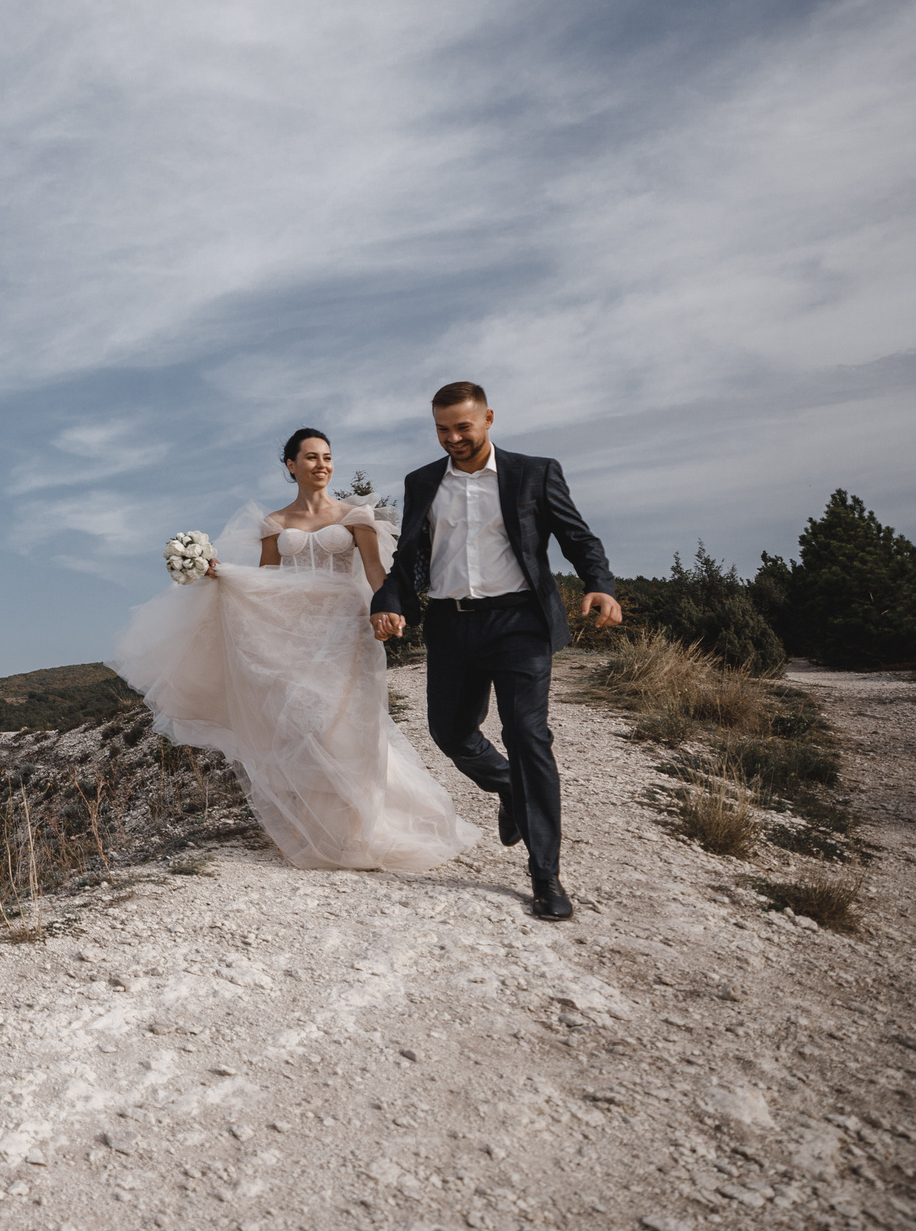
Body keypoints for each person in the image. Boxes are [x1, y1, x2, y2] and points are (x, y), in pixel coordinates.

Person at [110, 426, 482, 872]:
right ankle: (330, 828)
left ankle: (365, 826)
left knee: (349, 724)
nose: (321, 465)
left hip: (347, 631)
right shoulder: (276, 523)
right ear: (291, 465)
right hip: (294, 635)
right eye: (310, 458)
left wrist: (391, 611)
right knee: (310, 724)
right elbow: (266, 582)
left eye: (327, 457)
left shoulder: (356, 515)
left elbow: (376, 573)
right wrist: (220, 574)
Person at [369, 381, 621, 921]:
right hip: (450, 624)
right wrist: (387, 602)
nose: (453, 438)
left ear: (488, 418)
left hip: (518, 624)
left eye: (463, 426)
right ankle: (508, 786)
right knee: (449, 731)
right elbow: (407, 557)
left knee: (527, 734)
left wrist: (600, 583)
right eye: (442, 429)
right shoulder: (422, 482)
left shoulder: (535, 472)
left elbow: (579, 538)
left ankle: (545, 874)